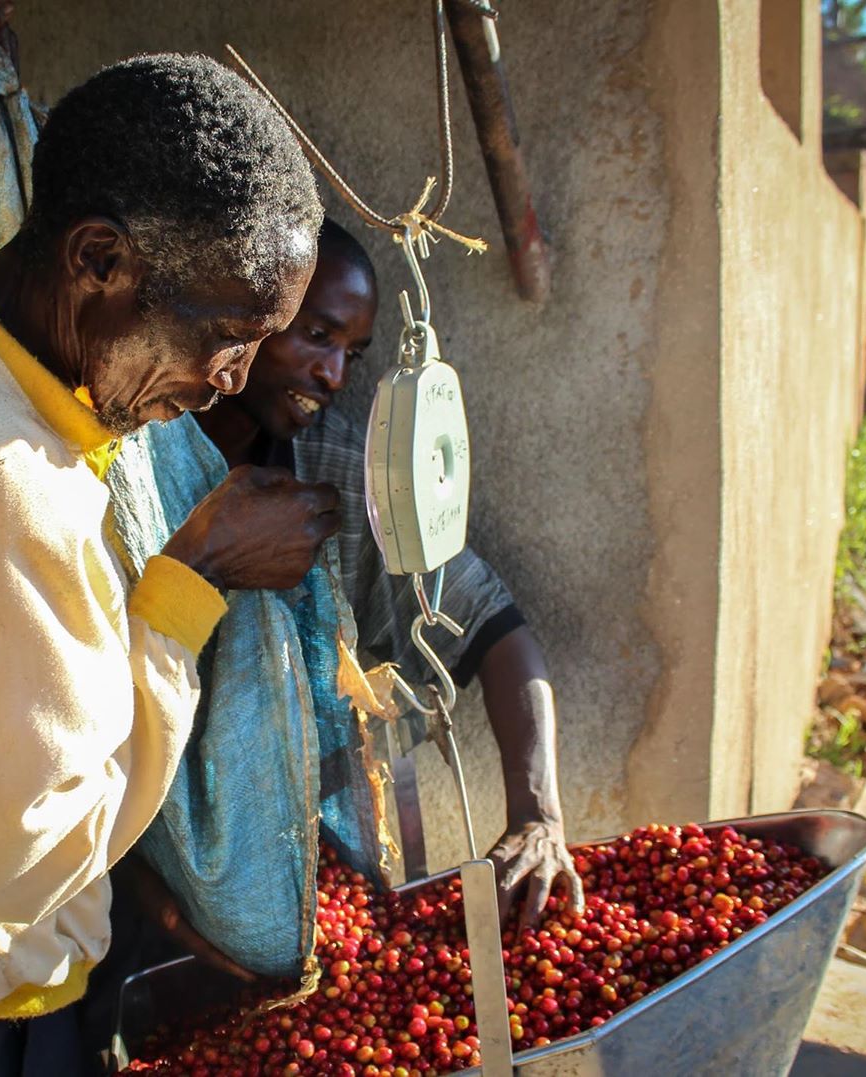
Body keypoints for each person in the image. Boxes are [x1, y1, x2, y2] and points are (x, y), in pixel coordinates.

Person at [0, 4, 336, 1074]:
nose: (231, 383)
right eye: (226, 338)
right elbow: (18, 859)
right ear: (98, 259)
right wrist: (194, 581)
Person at [193, 219, 585, 924]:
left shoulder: (339, 469)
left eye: (352, 351)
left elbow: (495, 626)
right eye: (317, 334)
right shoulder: (133, 453)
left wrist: (538, 815)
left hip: (285, 890)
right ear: (247, 309)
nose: (335, 376)